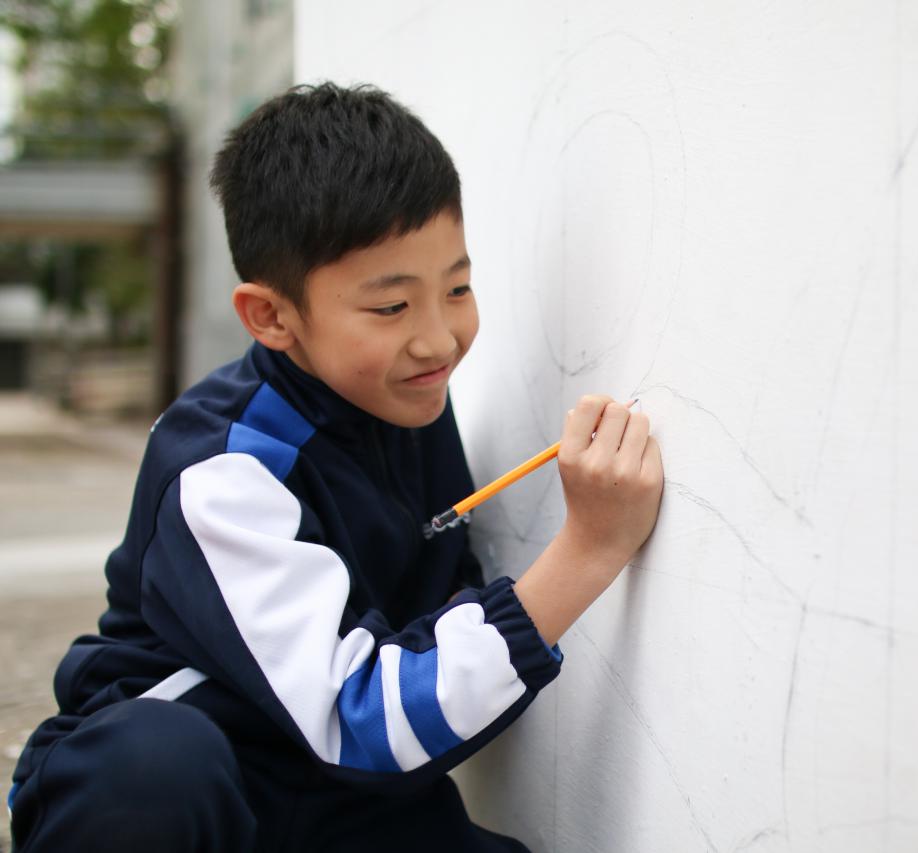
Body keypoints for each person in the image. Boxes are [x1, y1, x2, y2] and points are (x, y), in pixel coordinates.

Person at [7, 82, 664, 852]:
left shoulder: (406, 400)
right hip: (177, 794)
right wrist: (589, 548)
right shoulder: (224, 469)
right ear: (272, 316)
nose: (439, 339)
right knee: (155, 768)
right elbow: (358, 718)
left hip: (331, 799)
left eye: (457, 287)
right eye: (391, 308)